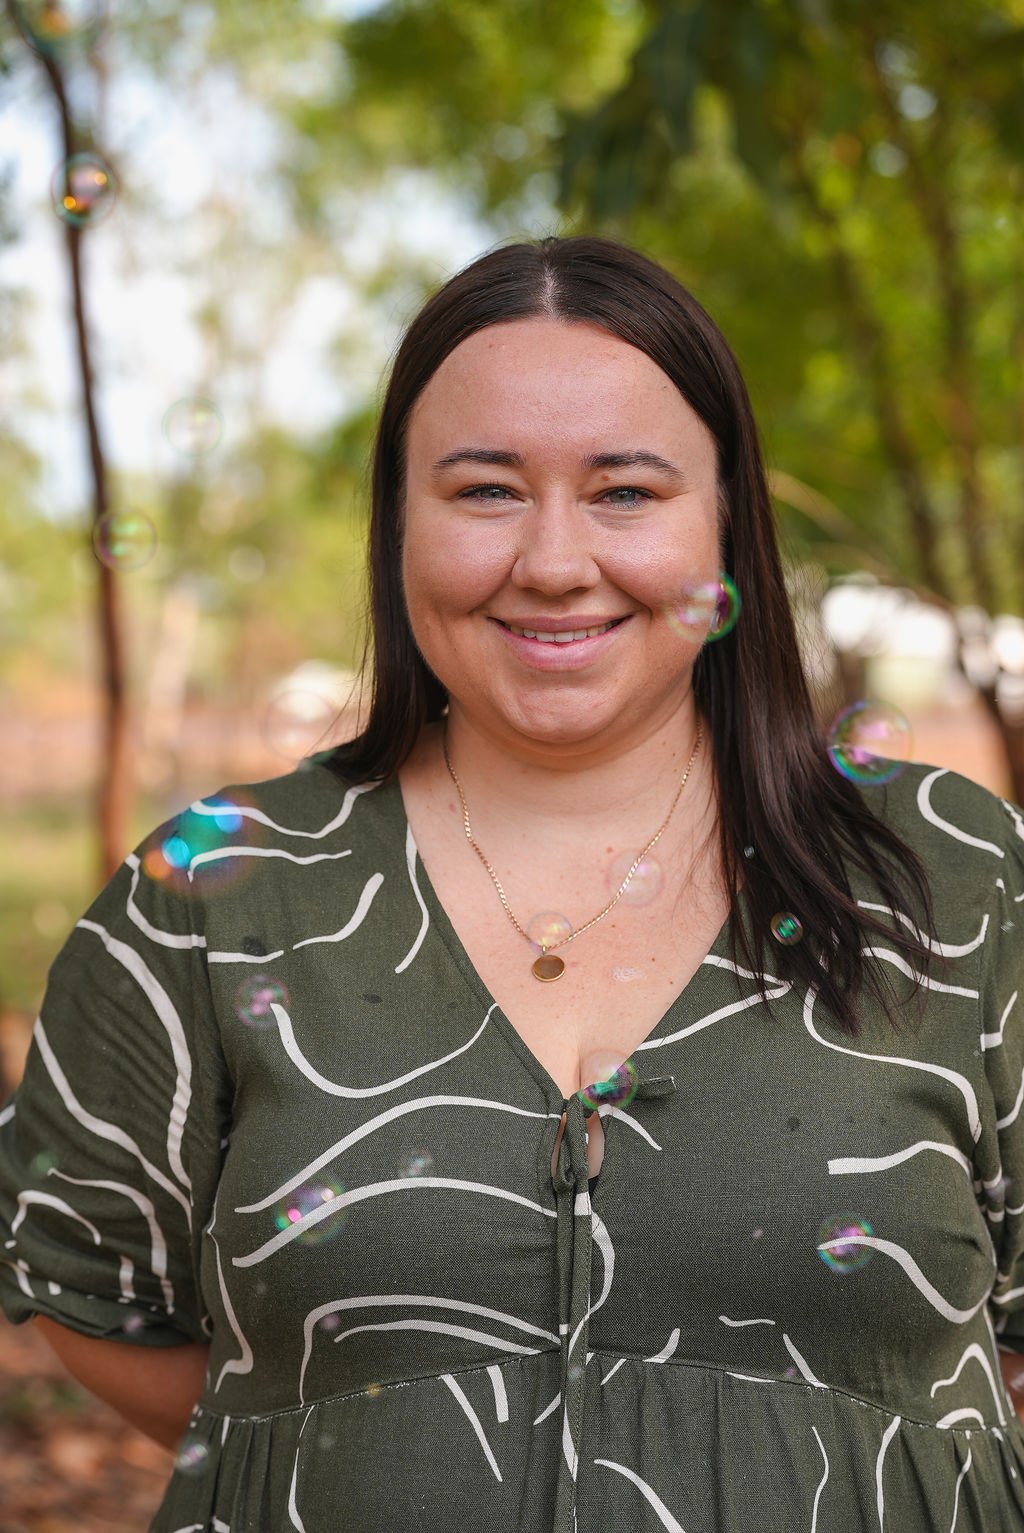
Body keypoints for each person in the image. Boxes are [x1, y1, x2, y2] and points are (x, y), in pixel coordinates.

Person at [1, 233, 1023, 1532]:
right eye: (485, 490)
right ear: (399, 521)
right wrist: (367, 1443)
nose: (552, 559)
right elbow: (87, 1287)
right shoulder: (209, 898)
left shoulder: (956, 871)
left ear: (726, 523)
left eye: (626, 492)